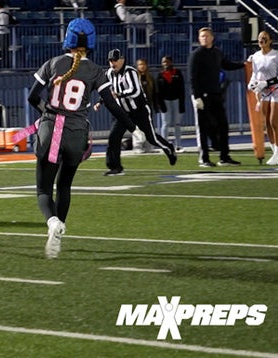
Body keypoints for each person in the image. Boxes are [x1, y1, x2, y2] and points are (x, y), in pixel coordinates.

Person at [26, 18, 135, 258]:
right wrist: (133, 126)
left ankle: (53, 222)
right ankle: (59, 232)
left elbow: (33, 97)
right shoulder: (96, 71)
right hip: (77, 135)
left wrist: (47, 114)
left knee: (44, 190)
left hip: (53, 132)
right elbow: (113, 105)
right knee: (64, 185)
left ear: (69, 39)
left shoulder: (53, 63)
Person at [98, 49, 177, 175]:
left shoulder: (130, 72)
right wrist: (100, 101)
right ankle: (115, 167)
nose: (113, 63)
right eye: (110, 60)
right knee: (114, 137)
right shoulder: (109, 74)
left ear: (122, 60)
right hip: (123, 112)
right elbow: (108, 91)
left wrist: (119, 94)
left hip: (139, 110)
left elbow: (135, 91)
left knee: (151, 138)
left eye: (115, 60)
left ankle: (169, 148)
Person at [188, 27, 245, 167]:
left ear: (212, 38)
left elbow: (226, 65)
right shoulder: (196, 54)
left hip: (216, 94)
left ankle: (224, 157)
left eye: (207, 36)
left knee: (223, 125)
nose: (204, 38)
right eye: (202, 36)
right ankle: (204, 158)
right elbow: (192, 77)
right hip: (202, 96)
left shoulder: (217, 52)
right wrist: (197, 97)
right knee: (203, 127)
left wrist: (243, 64)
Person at [247, 31, 278, 165]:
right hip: (264, 91)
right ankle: (275, 151)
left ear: (270, 41)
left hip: (276, 89)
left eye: (265, 38)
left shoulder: (276, 55)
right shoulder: (256, 56)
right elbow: (255, 73)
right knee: (267, 123)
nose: (262, 40)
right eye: (260, 38)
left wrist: (267, 83)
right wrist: (252, 83)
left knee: (274, 121)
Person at [155, 56, 186, 152]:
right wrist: (161, 104)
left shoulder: (177, 73)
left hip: (176, 100)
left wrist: (182, 103)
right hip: (165, 101)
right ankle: (165, 145)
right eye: (164, 62)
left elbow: (182, 89)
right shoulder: (160, 75)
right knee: (165, 123)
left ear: (171, 62)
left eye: (168, 62)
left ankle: (178, 145)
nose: (166, 64)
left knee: (177, 123)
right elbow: (158, 92)